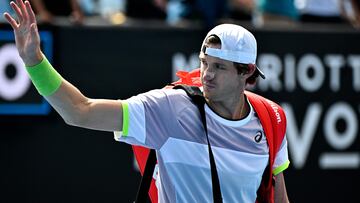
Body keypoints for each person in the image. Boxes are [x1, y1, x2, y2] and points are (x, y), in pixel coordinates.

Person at [3, 0, 290, 202]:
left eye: (219, 67)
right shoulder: (169, 108)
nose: (206, 75)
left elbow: (278, 197)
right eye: (204, 63)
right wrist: (34, 62)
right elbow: (80, 111)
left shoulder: (270, 120)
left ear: (247, 72)